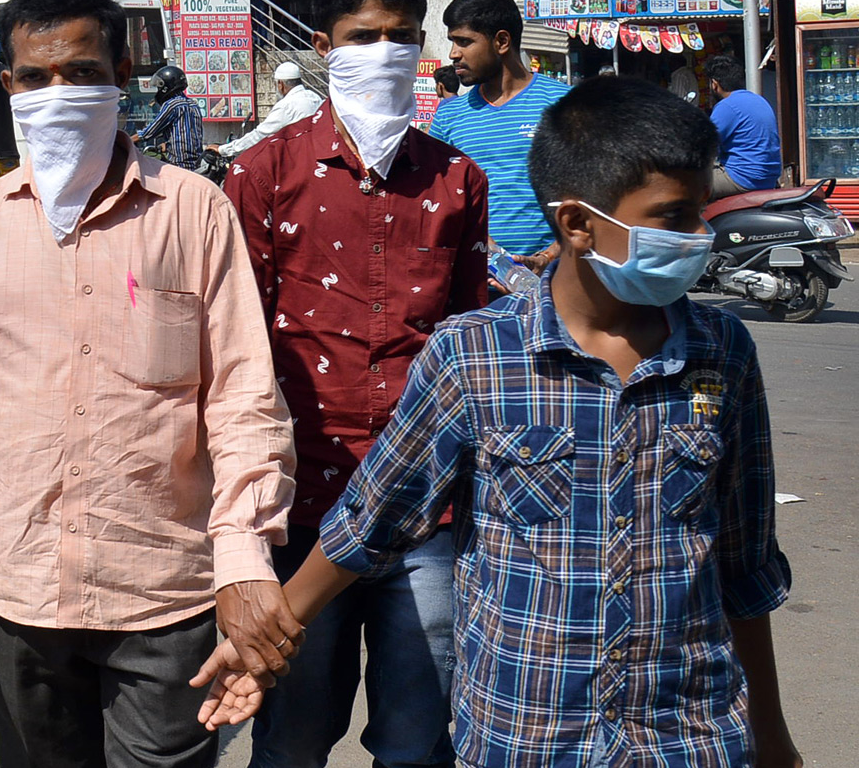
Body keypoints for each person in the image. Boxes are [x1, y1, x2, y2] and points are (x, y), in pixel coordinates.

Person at [197, 76, 803, 768]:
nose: (701, 237)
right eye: (674, 217)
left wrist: (771, 732)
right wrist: (266, 641)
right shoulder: (475, 356)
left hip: (686, 738)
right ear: (576, 223)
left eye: (704, 211)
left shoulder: (722, 352)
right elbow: (372, 521)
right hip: (528, 737)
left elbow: (744, 566)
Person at [0, 0, 299, 768]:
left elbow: (242, 405)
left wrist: (243, 560)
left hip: (168, 596)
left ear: (121, 79)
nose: (59, 94)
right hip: (20, 596)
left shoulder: (193, 213)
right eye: (37, 77)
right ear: (9, 85)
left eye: (82, 74)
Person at [224, 0, 489, 768]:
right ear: (323, 44)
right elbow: (235, 347)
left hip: (423, 507)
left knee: (417, 738)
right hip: (300, 503)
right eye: (364, 35)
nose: (385, 52)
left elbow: (469, 340)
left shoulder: (456, 180)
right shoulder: (262, 173)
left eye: (402, 36)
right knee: (294, 733)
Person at [430, 0, 570, 274]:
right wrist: (482, 246)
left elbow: (593, 194)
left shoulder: (563, 104)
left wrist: (550, 256)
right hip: (475, 282)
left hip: (557, 281)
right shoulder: (448, 115)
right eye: (452, 42)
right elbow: (437, 199)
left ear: (502, 41)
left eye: (464, 42)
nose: (453, 53)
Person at [705, 55, 781, 200]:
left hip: (743, 178)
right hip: (768, 177)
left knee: (682, 185)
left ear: (714, 84)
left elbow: (705, 143)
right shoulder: (758, 100)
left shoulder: (726, 106)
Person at [211, 62, 323, 160]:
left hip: (296, 160)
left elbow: (260, 134)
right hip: (315, 156)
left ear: (281, 84)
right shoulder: (315, 98)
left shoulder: (287, 105)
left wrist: (223, 150)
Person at [132, 64, 204, 172]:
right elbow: (189, 133)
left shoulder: (172, 105)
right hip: (197, 165)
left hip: (179, 165)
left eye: (158, 88)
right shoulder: (193, 105)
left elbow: (149, 132)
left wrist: (127, 140)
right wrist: (167, 144)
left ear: (165, 88)